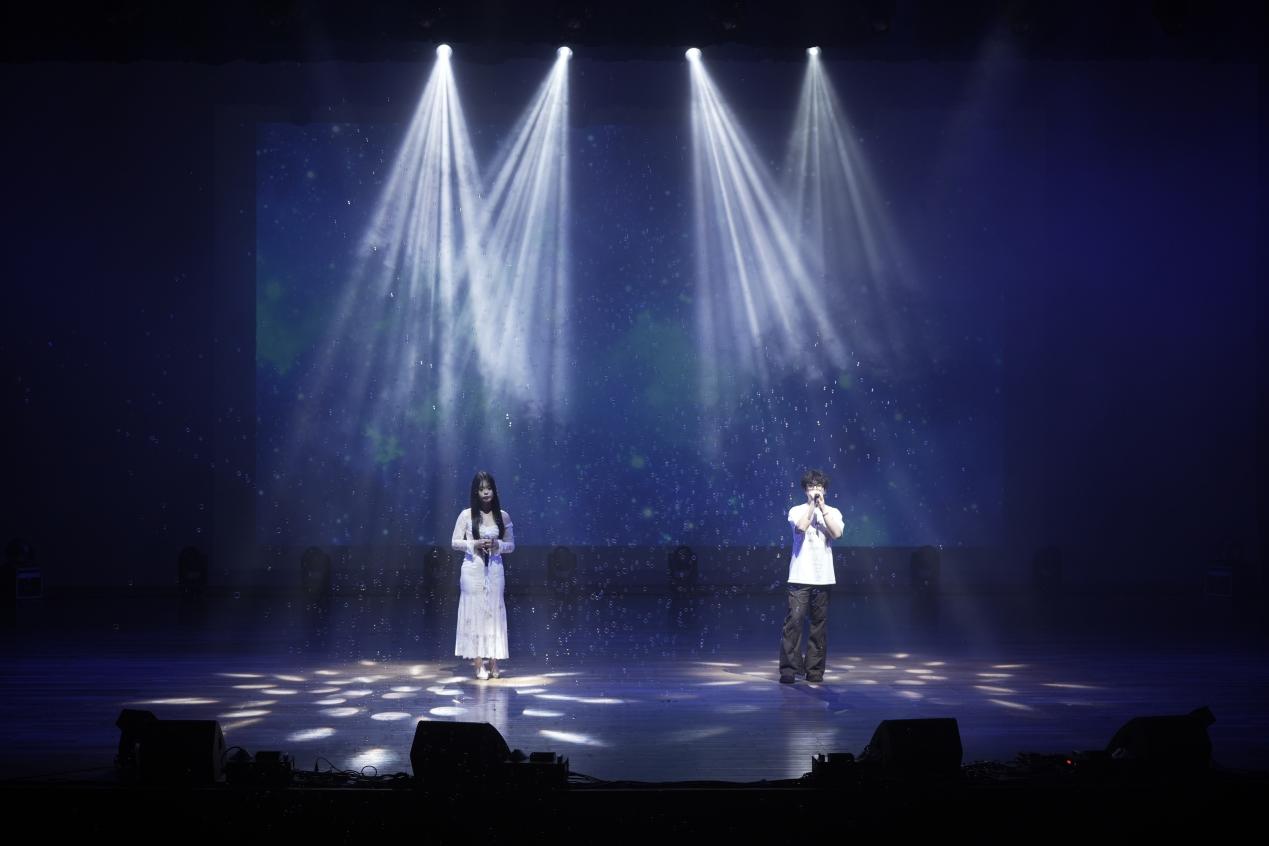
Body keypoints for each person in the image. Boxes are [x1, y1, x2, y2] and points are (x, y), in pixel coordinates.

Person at [779, 468, 844, 684]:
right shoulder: (796, 510)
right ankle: (789, 670)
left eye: (819, 487)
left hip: (823, 577)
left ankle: (814, 670)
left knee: (819, 625)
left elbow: (837, 533)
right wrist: (811, 507)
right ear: (805, 490)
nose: (815, 490)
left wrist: (822, 508)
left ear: (825, 490)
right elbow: (800, 527)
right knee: (794, 623)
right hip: (800, 576)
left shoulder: (833, 511)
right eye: (811, 487)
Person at [451, 471, 514, 679]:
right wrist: (475, 544)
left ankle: (494, 660)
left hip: (495, 570)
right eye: (481, 489)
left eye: (489, 488)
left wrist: (498, 545)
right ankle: (478, 662)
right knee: (474, 613)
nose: (486, 492)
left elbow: (511, 545)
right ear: (475, 492)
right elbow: (455, 542)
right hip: (472, 570)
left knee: (493, 613)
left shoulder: (503, 516)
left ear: (494, 491)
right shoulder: (466, 515)